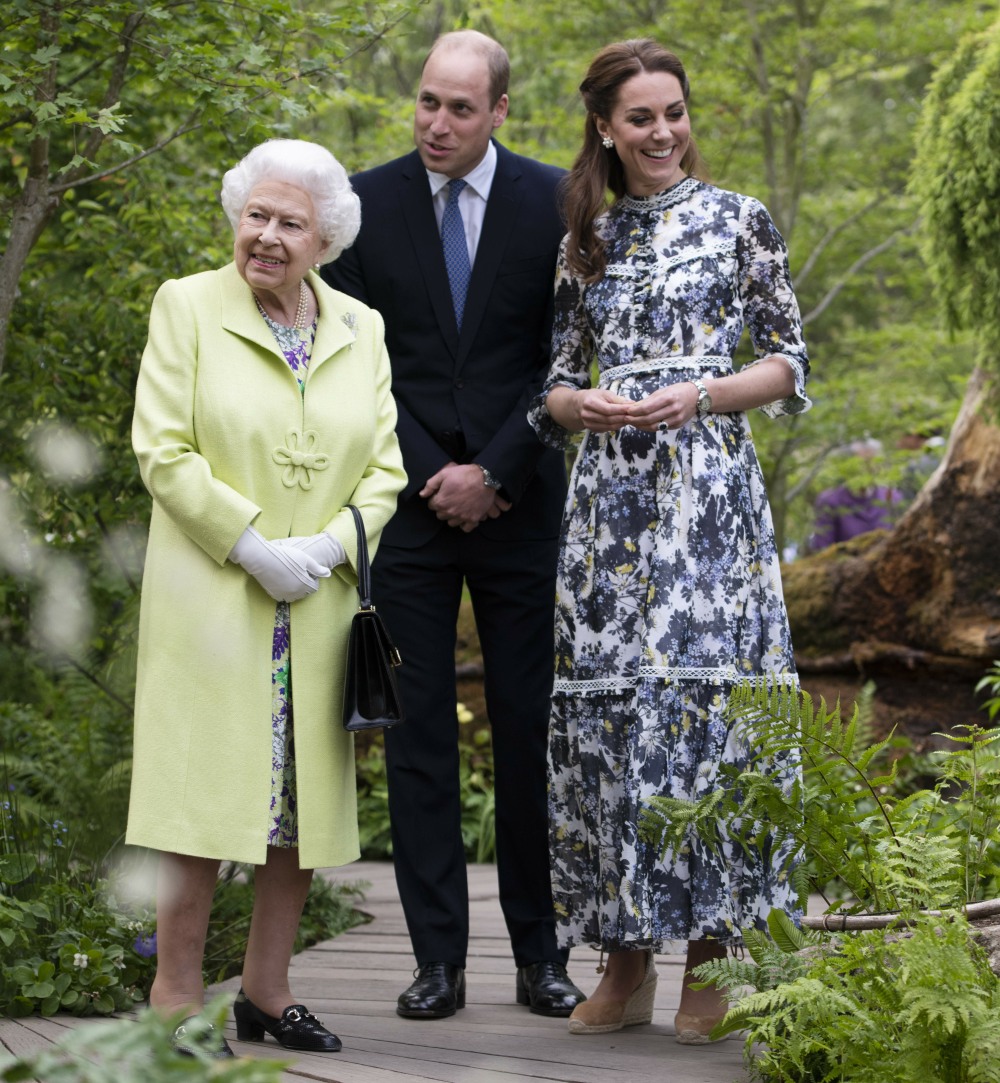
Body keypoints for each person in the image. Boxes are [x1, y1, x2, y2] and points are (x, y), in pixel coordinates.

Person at [527, 40, 810, 1044]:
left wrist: (699, 394)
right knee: (615, 724)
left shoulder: (740, 221)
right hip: (610, 515)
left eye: (673, 113)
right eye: (640, 117)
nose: (661, 133)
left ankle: (709, 959)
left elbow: (785, 362)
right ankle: (626, 959)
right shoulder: (585, 240)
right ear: (605, 126)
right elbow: (552, 383)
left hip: (708, 502)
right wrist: (580, 405)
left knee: (707, 715)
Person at [323, 30, 584, 1020]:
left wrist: (501, 468)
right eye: (427, 102)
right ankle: (436, 962)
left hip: (523, 508)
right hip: (411, 513)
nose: (436, 124)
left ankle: (541, 959)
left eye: (459, 109)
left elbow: (568, 352)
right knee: (417, 738)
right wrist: (439, 474)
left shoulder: (558, 203)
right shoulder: (363, 204)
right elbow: (351, 363)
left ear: (501, 113)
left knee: (529, 735)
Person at [128, 139, 406, 1057]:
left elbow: (386, 467)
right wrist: (250, 545)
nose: (269, 236)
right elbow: (163, 449)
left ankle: (266, 988)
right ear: (235, 216)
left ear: (325, 237)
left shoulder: (360, 326)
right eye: (257, 214)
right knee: (198, 804)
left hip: (317, 606)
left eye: (291, 223)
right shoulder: (189, 306)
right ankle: (174, 996)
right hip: (216, 597)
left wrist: (328, 547)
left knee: (296, 807)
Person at [810, 439, 905, 549]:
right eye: (861, 463)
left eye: (870, 463)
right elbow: (822, 549)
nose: (866, 469)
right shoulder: (830, 500)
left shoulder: (892, 498)